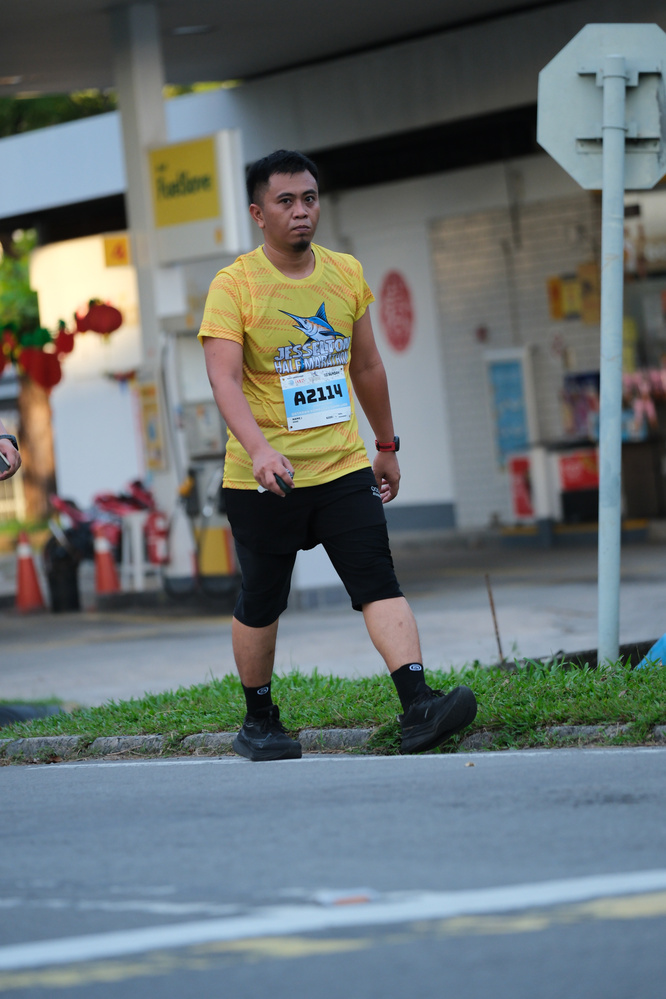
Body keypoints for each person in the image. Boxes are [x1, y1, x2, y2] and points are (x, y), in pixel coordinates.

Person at [199, 149, 476, 761]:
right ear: (258, 214)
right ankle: (259, 721)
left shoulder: (346, 272)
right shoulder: (234, 286)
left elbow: (367, 365)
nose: (302, 211)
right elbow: (223, 380)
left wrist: (386, 445)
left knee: (378, 580)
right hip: (264, 479)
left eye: (309, 199)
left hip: (343, 466)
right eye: (286, 201)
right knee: (263, 600)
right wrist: (260, 449)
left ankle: (419, 706)